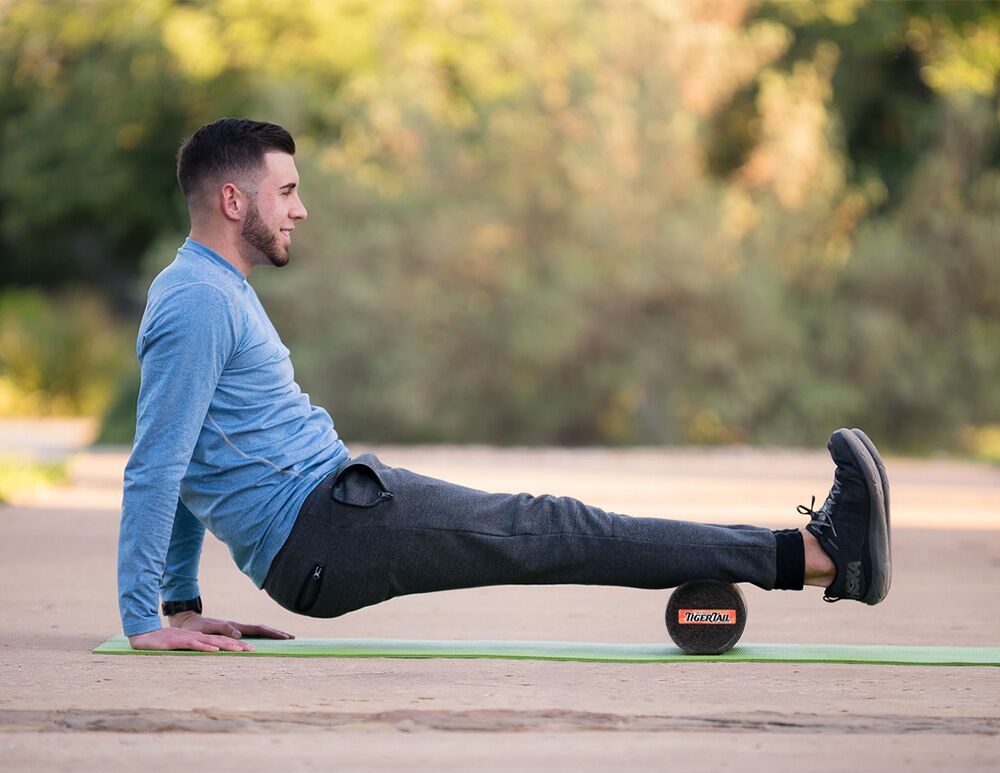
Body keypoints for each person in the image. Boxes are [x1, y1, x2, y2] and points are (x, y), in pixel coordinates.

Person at [118, 118, 891, 653]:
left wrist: (180, 603)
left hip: (332, 517)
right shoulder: (199, 301)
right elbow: (158, 462)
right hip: (324, 532)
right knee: (555, 528)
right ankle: (817, 556)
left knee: (552, 526)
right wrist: (143, 619)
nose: (301, 209)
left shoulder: (211, 290)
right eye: (286, 191)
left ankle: (811, 557)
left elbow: (188, 458)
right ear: (233, 201)